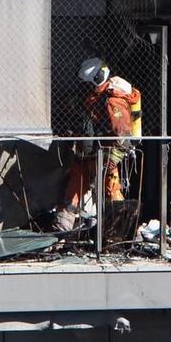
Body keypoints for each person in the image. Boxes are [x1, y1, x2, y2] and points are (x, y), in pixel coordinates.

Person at [59, 57, 140, 230]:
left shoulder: (113, 101)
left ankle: (121, 228)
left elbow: (122, 134)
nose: (84, 89)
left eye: (87, 85)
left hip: (108, 151)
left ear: (96, 80)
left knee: (111, 187)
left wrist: (110, 159)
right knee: (77, 178)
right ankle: (63, 224)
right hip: (96, 150)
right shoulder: (96, 97)